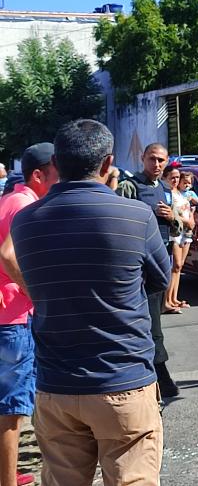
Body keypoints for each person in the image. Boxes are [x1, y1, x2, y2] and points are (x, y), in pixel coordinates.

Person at [10, 119, 171, 486]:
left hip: (56, 385)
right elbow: (160, 280)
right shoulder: (135, 216)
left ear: (56, 163)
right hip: (123, 379)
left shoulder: (25, 222)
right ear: (107, 163)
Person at [0, 143, 58, 486]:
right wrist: (34, 291)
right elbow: (7, 255)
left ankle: (6, 472)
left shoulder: (9, 200)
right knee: (12, 408)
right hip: (14, 318)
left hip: (8, 315)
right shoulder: (24, 205)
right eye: (56, 173)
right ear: (39, 175)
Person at [117, 143, 179, 397]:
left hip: (159, 263)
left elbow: (178, 228)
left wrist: (171, 218)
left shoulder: (165, 189)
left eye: (161, 160)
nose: (157, 164)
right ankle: (159, 377)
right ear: (143, 158)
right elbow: (119, 224)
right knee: (147, 324)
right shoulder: (130, 187)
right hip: (138, 266)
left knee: (154, 320)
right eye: (152, 159)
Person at [163, 168, 194, 314]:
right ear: (165, 178)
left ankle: (174, 299)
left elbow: (190, 210)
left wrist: (191, 220)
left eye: (177, 177)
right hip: (174, 232)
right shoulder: (167, 193)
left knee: (179, 267)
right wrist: (186, 221)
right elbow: (170, 214)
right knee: (175, 265)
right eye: (172, 177)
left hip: (186, 232)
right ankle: (166, 301)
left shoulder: (181, 193)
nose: (175, 180)